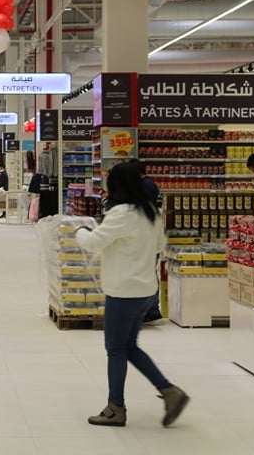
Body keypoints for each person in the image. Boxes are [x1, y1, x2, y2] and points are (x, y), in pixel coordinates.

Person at [74, 163, 189, 428]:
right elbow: (160, 246)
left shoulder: (121, 213)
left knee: (115, 349)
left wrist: (80, 230)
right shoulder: (152, 211)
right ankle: (170, 392)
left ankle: (116, 407)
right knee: (129, 346)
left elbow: (94, 243)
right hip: (145, 291)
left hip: (123, 291)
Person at [130, 160, 163, 323]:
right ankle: (152, 309)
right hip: (151, 235)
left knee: (148, 273)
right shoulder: (148, 184)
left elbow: (142, 210)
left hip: (148, 236)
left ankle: (150, 309)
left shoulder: (146, 186)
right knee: (149, 272)